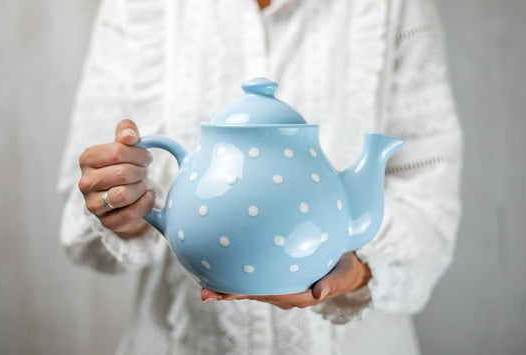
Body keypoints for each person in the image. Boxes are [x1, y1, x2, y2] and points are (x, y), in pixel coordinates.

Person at [58, 0, 463, 353]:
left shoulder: (394, 6)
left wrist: (358, 270)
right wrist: (124, 206)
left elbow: (431, 202)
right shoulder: (139, 7)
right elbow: (81, 219)